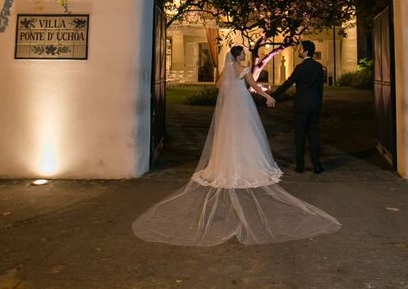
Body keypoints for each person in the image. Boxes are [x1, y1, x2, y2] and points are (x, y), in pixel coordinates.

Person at [132, 46, 340, 246]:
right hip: (243, 104)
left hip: (230, 107)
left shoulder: (227, 70)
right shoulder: (244, 69)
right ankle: (248, 164)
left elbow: (218, 86)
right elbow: (255, 86)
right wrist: (268, 96)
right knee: (247, 133)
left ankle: (225, 165)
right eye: (243, 53)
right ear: (239, 55)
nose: (245, 55)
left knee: (229, 134)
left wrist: (233, 86)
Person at [270, 41, 325, 174]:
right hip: (314, 105)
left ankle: (300, 165)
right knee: (314, 135)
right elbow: (320, 88)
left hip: (301, 106)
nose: (298, 51)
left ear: (306, 51)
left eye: (300, 49)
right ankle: (317, 165)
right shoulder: (318, 67)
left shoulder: (300, 67)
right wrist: (318, 103)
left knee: (300, 136)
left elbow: (288, 83)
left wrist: (273, 96)